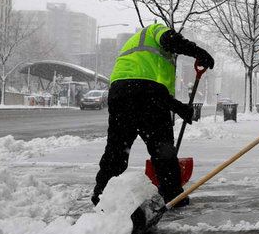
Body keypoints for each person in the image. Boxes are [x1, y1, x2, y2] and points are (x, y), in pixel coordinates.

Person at [91, 23, 214, 207]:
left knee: (117, 149)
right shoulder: (156, 30)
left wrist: (179, 107)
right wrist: (198, 52)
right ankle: (172, 193)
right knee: (162, 148)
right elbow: (169, 42)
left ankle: (102, 192)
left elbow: (154, 92)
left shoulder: (138, 51)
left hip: (120, 93)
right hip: (144, 94)